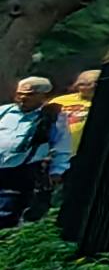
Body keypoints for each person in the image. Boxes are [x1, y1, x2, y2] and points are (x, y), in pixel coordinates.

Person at [0, 76, 53, 227]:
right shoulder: (4, 111)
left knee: (6, 211)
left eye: (29, 95)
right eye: (20, 93)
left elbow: (61, 145)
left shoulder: (51, 117)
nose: (22, 98)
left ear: (43, 96)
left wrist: (58, 170)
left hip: (19, 171)